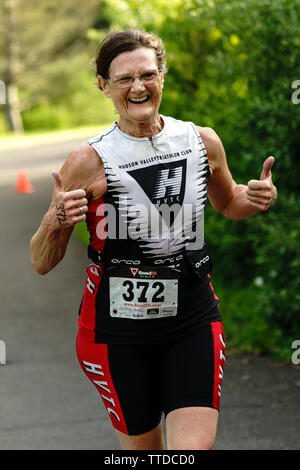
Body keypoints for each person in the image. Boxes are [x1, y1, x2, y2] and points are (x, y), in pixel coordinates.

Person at [30, 29, 277, 450]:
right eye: (124, 79)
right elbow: (41, 261)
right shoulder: (87, 161)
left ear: (162, 76)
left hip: (192, 316)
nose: (138, 87)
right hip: (116, 332)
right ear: (104, 86)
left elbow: (228, 201)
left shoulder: (201, 141)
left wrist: (252, 199)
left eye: (148, 74)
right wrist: (55, 219)